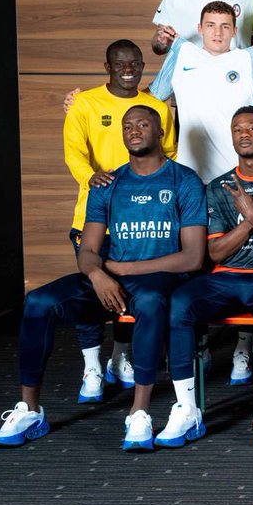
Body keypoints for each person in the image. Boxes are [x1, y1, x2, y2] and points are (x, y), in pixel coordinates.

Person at [0, 106, 206, 450]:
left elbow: (193, 257)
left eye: (143, 124)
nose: (134, 130)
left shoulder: (184, 180)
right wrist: (97, 274)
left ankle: (139, 413)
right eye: (127, 126)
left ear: (160, 132)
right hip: (111, 279)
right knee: (38, 301)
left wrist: (124, 270)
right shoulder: (108, 184)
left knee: (150, 301)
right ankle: (30, 410)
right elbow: (89, 249)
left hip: (159, 278)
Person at [157, 108, 253, 448]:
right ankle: (187, 408)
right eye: (238, 129)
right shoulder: (218, 187)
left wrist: (252, 213)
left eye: (252, 127)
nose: (244, 133)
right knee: (180, 301)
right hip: (225, 276)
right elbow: (216, 253)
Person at [64, 40, 177, 402]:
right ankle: (92, 366)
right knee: (92, 293)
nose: (128, 70)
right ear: (108, 66)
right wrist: (91, 178)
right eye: (120, 63)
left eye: (134, 63)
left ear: (143, 65)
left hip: (139, 219)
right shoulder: (84, 103)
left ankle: (120, 355)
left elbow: (169, 154)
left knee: (130, 293)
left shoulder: (157, 107)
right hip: (93, 217)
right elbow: (74, 152)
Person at [149, 1, 253, 184]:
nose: (218, 33)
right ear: (200, 28)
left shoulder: (249, 59)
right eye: (210, 25)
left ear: (234, 31)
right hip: (191, 178)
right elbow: (152, 99)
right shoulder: (182, 53)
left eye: (225, 26)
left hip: (239, 177)